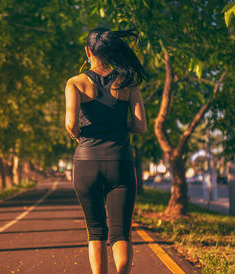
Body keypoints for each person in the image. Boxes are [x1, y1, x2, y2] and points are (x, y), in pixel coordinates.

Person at [64, 28, 147, 274]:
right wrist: (120, 127)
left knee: (96, 231)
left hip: (86, 162)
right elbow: (140, 126)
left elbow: (70, 124)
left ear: (88, 52)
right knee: (121, 232)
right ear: (111, 52)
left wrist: (78, 136)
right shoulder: (128, 83)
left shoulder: (75, 83)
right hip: (120, 160)